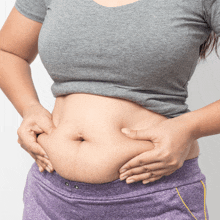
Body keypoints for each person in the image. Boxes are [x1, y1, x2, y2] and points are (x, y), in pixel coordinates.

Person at [0, 0, 220, 219]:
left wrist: (189, 127)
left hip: (152, 199)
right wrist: (29, 108)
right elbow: (8, 51)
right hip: (49, 195)